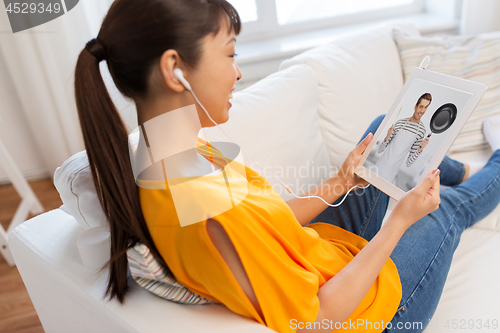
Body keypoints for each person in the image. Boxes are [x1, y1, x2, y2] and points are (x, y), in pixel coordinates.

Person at [73, 0, 500, 332]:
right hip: (363, 314)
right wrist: (399, 223)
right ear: (174, 70)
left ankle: (453, 170)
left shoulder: (177, 151)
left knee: (377, 138)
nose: (237, 73)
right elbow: (316, 320)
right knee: (447, 208)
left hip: (318, 254)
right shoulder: (202, 212)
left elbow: (269, 218)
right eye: (229, 54)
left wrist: (340, 181)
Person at [374, 93, 431, 185]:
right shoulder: (400, 123)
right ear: (415, 106)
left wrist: (420, 149)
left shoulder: (421, 131)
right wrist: (387, 137)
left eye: (426, 107)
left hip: (390, 176)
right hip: (378, 168)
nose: (422, 111)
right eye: (421, 106)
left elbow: (409, 162)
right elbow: (380, 150)